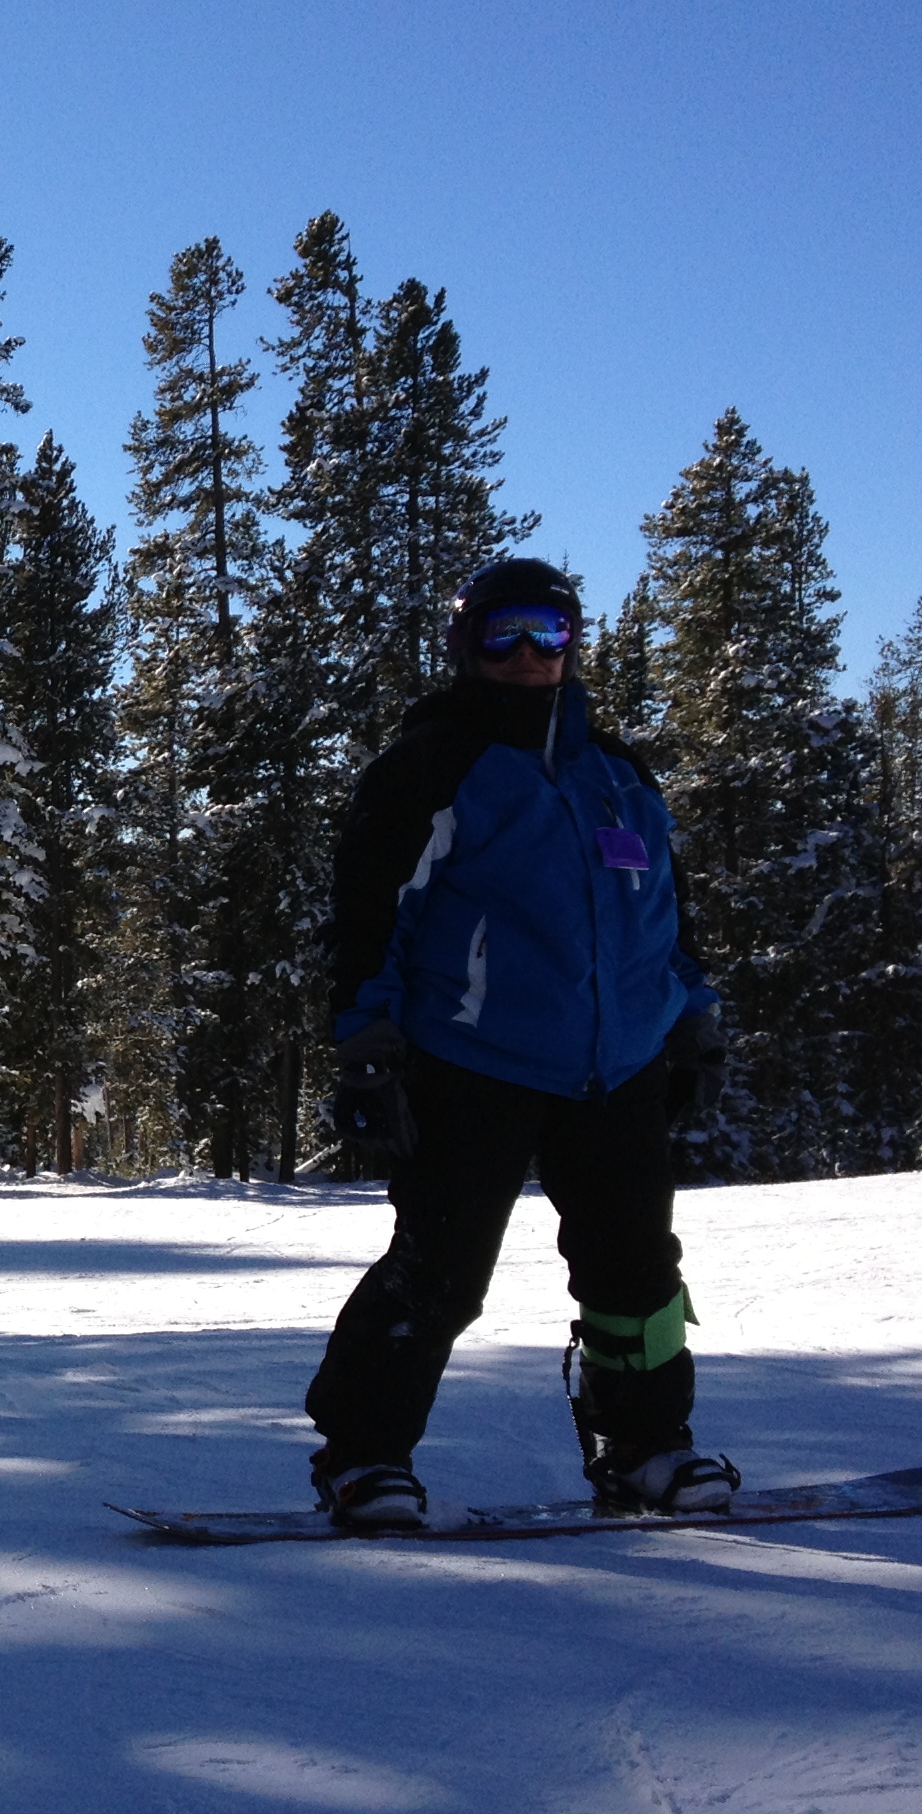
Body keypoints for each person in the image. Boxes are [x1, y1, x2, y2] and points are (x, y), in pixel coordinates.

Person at [304, 557, 734, 1531]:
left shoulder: (618, 775)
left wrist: (692, 1017)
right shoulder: (435, 765)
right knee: (441, 1268)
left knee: (635, 1271)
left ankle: (645, 1448)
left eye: (549, 632)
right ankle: (363, 1459)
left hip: (616, 1062)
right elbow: (371, 917)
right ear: (469, 646)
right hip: (472, 1061)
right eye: (505, 635)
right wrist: (366, 1044)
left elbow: (665, 912)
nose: (531, 654)